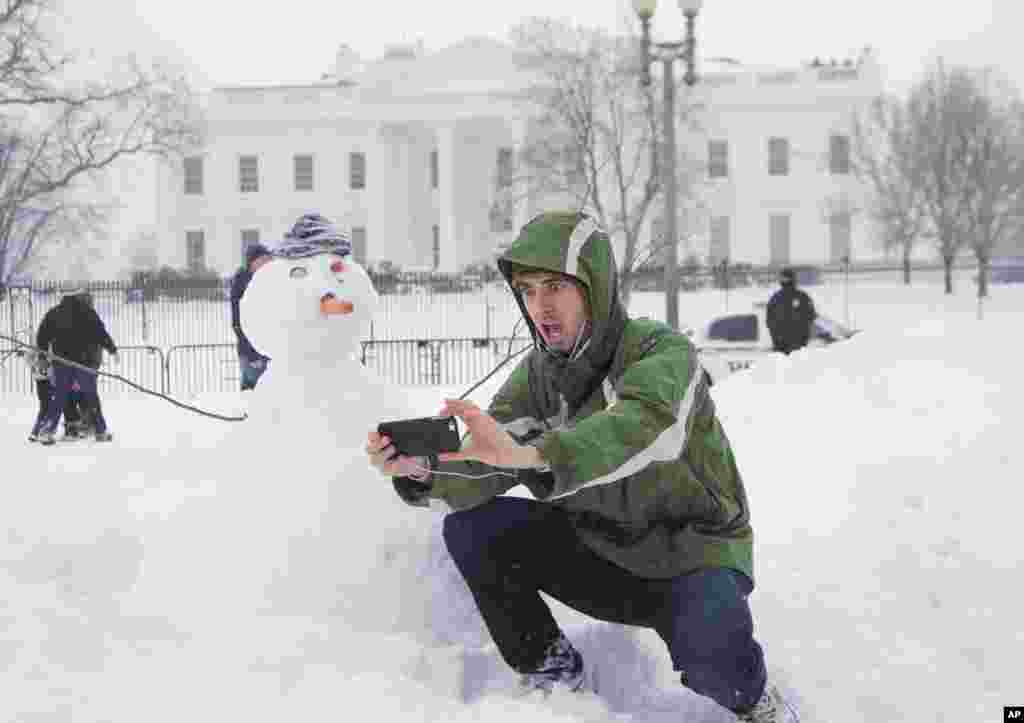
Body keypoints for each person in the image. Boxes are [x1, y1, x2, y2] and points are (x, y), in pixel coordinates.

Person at [365, 211, 797, 722]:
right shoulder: (539, 377)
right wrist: (423, 472)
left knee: (718, 667)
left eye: (554, 286)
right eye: (526, 290)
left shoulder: (662, 352)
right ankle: (553, 673)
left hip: (692, 558)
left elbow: (641, 428)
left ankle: (757, 703)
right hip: (601, 554)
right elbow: (492, 456)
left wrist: (537, 454)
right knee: (475, 528)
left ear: (594, 286)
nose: (539, 305)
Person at [35, 287, 118, 445]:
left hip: (61, 362)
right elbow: (100, 332)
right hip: (84, 363)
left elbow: (42, 335)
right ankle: (100, 431)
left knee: (59, 397)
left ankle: (47, 431)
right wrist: (112, 349)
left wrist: (42, 356)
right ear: (78, 296)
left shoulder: (54, 313)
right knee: (91, 397)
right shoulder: (87, 312)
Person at [230, 243, 272, 391]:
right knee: (253, 390)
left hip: (267, 351)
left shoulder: (269, 281)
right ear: (251, 262)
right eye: (261, 260)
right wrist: (251, 354)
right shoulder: (242, 282)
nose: (265, 264)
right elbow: (238, 322)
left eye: (268, 260)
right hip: (250, 352)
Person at [765, 268, 817, 355]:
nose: (785, 281)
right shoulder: (776, 298)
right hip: (782, 346)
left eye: (787, 278)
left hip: (796, 345)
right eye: (783, 278)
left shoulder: (802, 297)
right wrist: (776, 338)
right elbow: (769, 320)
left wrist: (803, 338)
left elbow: (810, 316)